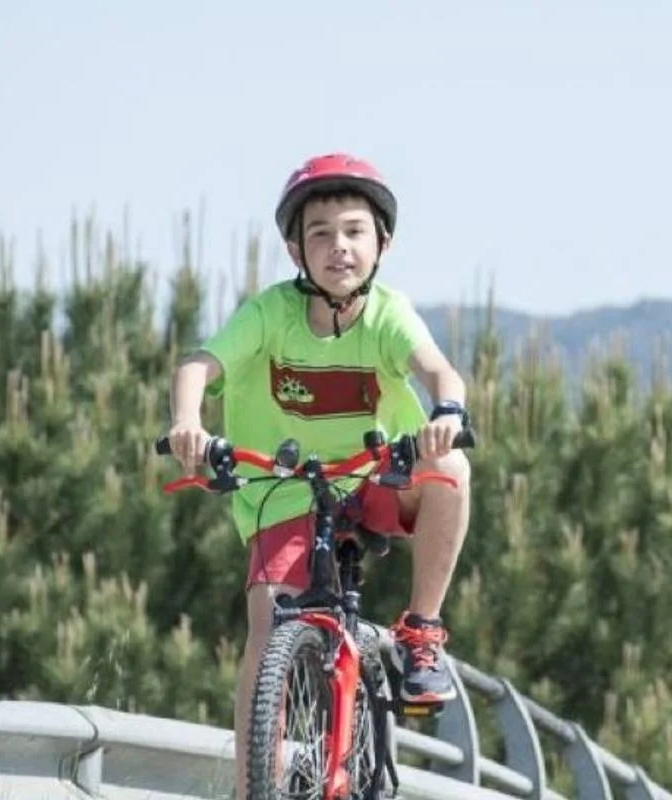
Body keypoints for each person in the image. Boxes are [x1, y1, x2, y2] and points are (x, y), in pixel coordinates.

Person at [163, 153, 474, 799]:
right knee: (268, 626)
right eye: (321, 233)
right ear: (295, 250)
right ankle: (254, 788)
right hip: (284, 491)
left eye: (355, 231)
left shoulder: (387, 313)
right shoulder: (269, 314)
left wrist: (447, 412)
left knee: (451, 467)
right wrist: (188, 423)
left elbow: (439, 371)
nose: (340, 247)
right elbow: (198, 365)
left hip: (375, 479)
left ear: (382, 244)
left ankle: (422, 630)